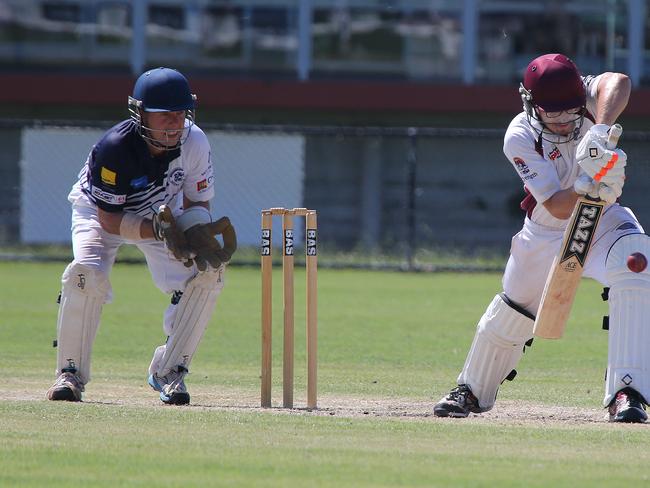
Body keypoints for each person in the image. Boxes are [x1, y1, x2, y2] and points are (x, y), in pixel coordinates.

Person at [434, 53, 649, 423]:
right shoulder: (519, 135)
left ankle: (627, 392)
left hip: (603, 221)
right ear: (531, 103)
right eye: (553, 115)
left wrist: (599, 129)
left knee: (637, 262)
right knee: (514, 310)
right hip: (547, 228)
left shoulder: (587, 98)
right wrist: (590, 184)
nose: (564, 123)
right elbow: (557, 205)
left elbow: (620, 81)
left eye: (571, 113)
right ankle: (470, 389)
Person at [46, 67, 236, 405]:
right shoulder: (115, 148)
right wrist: (157, 231)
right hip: (99, 212)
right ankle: (69, 374)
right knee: (86, 273)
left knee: (206, 274)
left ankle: (170, 371)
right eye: (164, 115)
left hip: (162, 214)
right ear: (140, 112)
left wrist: (195, 231)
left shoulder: (194, 141)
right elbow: (109, 219)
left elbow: (197, 199)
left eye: (180, 114)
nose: (174, 123)